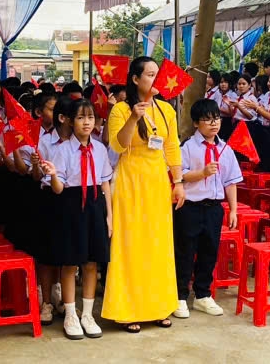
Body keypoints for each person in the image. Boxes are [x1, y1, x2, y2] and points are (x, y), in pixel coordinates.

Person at [104, 56, 183, 333]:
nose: (155, 79)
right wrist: (134, 118)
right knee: (130, 244)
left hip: (157, 181)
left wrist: (178, 181)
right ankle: (128, 310)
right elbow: (118, 145)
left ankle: (159, 307)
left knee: (158, 243)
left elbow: (172, 146)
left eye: (156, 74)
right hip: (130, 179)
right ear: (135, 79)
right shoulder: (121, 109)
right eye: (149, 74)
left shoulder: (166, 109)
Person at [38, 98, 112, 340]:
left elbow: (105, 183)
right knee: (70, 263)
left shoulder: (100, 149)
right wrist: (52, 175)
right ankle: (71, 314)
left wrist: (109, 217)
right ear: (70, 121)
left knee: (91, 263)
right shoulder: (62, 150)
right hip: (70, 206)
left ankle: (88, 314)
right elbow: (58, 188)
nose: (86, 123)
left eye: (90, 117)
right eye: (81, 118)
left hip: (95, 206)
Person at [174, 99, 242, 318]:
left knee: (209, 251)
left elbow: (230, 181)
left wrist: (233, 210)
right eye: (207, 119)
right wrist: (202, 173)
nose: (214, 123)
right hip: (190, 207)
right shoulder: (187, 147)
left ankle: (203, 294)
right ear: (196, 123)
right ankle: (180, 296)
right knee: (185, 251)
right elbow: (180, 175)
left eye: (217, 119)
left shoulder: (225, 149)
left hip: (213, 207)